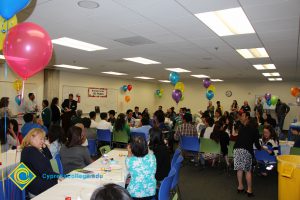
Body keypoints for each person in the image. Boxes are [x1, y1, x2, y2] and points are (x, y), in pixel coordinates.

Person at [20, 128, 58, 196]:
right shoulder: (31, 151)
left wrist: (44, 147)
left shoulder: (29, 149)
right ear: (32, 138)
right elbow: (45, 171)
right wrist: (58, 176)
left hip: (36, 185)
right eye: (41, 139)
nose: (43, 141)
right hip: (38, 189)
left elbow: (50, 159)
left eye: (43, 139)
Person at [233, 112, 261, 197]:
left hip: (237, 149)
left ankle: (240, 187)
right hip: (246, 150)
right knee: (247, 171)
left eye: (242, 116)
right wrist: (261, 148)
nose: (241, 117)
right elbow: (257, 144)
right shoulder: (255, 130)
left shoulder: (242, 127)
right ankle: (249, 190)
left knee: (239, 169)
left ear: (248, 118)